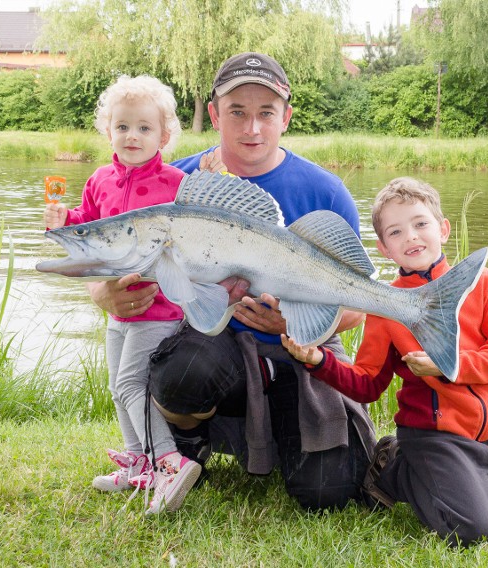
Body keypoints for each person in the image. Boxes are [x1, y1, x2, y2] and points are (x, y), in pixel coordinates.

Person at [86, 52, 376, 511]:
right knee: (181, 374)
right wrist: (103, 294)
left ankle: (285, 438)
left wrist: (292, 324)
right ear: (216, 114)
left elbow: (356, 307)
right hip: (210, 341)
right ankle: (187, 446)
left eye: (266, 113)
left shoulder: (326, 191)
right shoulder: (175, 181)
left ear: (287, 117)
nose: (252, 128)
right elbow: (113, 247)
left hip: (300, 352)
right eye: (237, 112)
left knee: (327, 494)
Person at [282, 177, 488, 546]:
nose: (412, 237)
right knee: (471, 532)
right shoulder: (386, 304)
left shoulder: (482, 283)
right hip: (433, 438)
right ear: (384, 248)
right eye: (396, 231)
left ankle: (473, 479)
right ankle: (395, 470)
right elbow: (369, 384)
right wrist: (319, 360)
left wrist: (448, 365)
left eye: (421, 224)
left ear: (444, 229)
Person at [44, 75, 202, 514]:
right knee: (117, 385)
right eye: (123, 126)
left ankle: (169, 460)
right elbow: (87, 223)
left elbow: (193, 237)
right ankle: (138, 462)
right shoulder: (99, 179)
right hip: (118, 307)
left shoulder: (175, 184)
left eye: (144, 128)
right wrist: (63, 221)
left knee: (133, 382)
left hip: (161, 306)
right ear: (108, 129)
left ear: (164, 135)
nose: (132, 136)